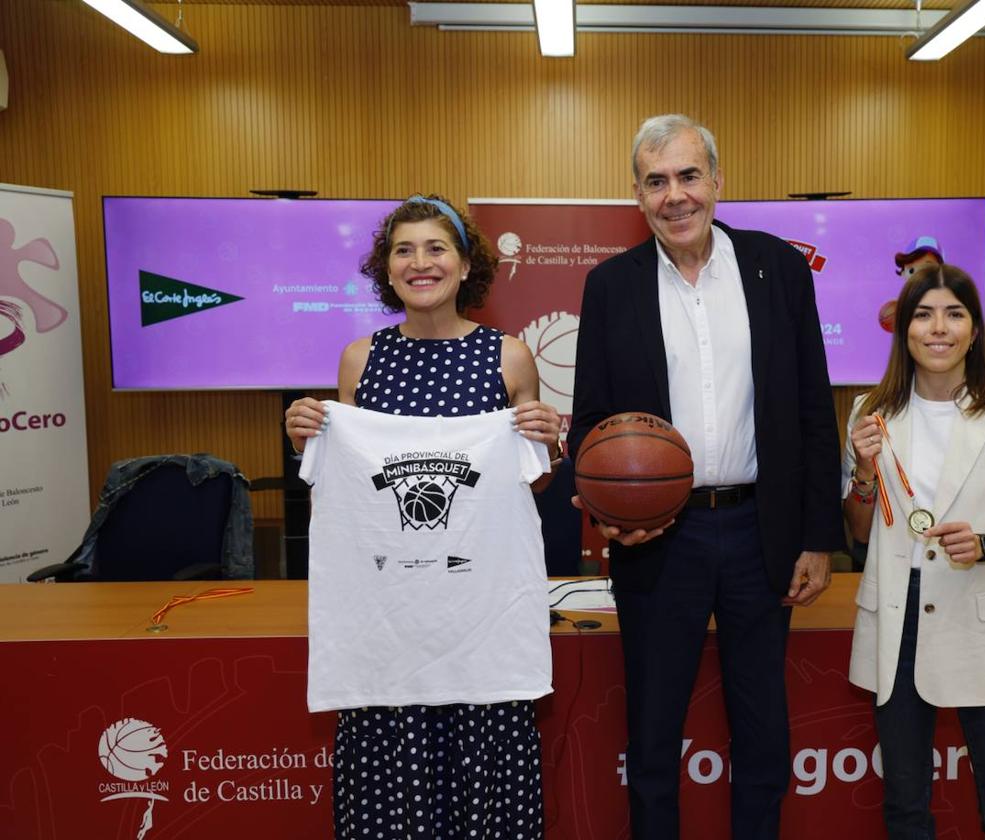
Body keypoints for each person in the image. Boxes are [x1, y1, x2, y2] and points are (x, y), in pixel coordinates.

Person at [568, 114, 844, 840]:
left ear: (718, 182)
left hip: (763, 531)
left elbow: (815, 407)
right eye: (657, 181)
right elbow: (590, 422)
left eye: (689, 176)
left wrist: (818, 536)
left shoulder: (777, 268)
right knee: (654, 733)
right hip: (661, 535)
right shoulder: (610, 287)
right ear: (636, 195)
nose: (675, 195)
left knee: (762, 728)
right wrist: (609, 512)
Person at [284, 195, 563, 839]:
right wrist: (310, 442)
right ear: (387, 268)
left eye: (436, 247)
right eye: (403, 250)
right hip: (388, 623)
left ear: (466, 266)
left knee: (486, 794)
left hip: (480, 621)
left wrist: (546, 438)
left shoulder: (509, 356)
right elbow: (344, 488)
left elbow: (534, 478)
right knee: (391, 799)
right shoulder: (361, 358)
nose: (420, 262)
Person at [843, 263, 985, 839]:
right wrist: (863, 473)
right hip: (899, 618)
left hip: (980, 618)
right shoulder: (872, 413)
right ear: (904, 330)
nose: (939, 328)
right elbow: (860, 532)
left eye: (955, 314)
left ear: (974, 330)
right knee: (906, 807)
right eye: (923, 314)